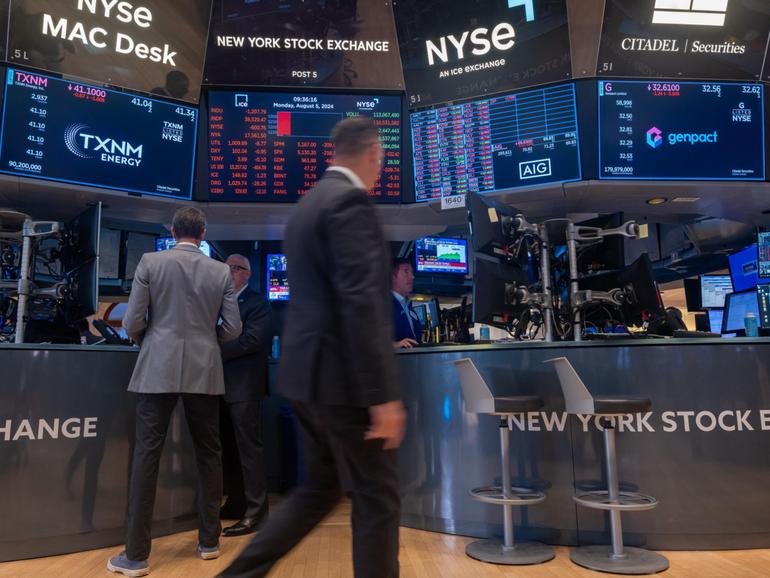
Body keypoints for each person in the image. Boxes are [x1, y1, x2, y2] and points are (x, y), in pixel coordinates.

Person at [219, 116, 406, 578]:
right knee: (377, 498)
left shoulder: (306, 207)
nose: (379, 169)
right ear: (370, 155)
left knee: (318, 491)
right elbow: (361, 303)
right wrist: (382, 396)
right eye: (380, 160)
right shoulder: (351, 204)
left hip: (303, 379)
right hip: (344, 382)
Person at [107, 207, 242, 577]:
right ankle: (210, 542)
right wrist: (205, 341)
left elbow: (132, 320)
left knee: (146, 456)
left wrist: (147, 339)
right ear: (203, 234)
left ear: (172, 230)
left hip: (157, 366)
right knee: (209, 455)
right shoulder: (220, 271)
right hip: (204, 369)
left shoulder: (150, 262)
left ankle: (135, 556)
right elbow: (232, 329)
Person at [219, 254, 273, 537]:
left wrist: (213, 351)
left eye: (234, 268)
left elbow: (252, 340)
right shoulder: (218, 300)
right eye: (225, 267)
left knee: (249, 451)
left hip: (244, 387)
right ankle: (236, 503)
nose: (228, 272)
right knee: (228, 450)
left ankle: (257, 513)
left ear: (247, 274)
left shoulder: (258, 302)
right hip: (219, 387)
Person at [391, 258, 422, 349]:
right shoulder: (382, 304)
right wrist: (394, 344)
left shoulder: (408, 306)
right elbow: (366, 340)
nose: (412, 277)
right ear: (392, 276)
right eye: (406, 271)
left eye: (412, 273)